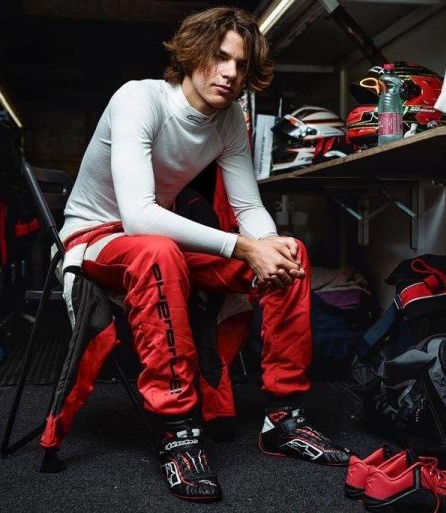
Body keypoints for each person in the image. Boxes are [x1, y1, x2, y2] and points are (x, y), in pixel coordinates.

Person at [57, 6, 350, 503]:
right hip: (97, 237)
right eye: (220, 57)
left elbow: (248, 207)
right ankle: (177, 431)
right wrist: (244, 247)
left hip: (159, 240)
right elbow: (138, 217)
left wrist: (268, 246)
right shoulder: (139, 98)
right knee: (158, 252)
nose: (230, 73)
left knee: (292, 253)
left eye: (241, 64)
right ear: (193, 55)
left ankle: (284, 418)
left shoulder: (229, 119)